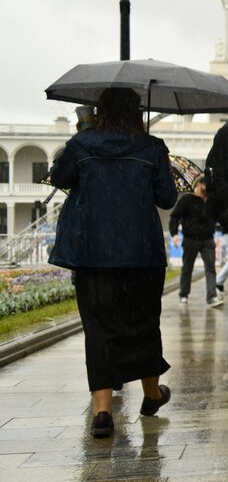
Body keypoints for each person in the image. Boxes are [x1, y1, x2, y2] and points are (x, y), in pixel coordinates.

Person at [49, 87, 177, 439]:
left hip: (94, 254)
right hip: (142, 253)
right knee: (144, 325)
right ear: (136, 112)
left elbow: (60, 178)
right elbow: (167, 197)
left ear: (100, 111)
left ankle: (103, 413)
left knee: (99, 330)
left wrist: (82, 137)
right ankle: (152, 395)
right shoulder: (152, 147)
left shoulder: (82, 144)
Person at [169, 177, 223, 307]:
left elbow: (218, 217)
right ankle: (183, 294)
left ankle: (211, 297)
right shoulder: (187, 200)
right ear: (199, 184)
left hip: (207, 239)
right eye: (204, 185)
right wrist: (174, 234)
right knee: (187, 268)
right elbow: (174, 216)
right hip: (190, 239)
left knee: (210, 268)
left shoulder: (211, 201)